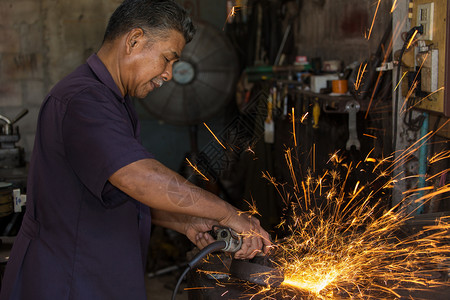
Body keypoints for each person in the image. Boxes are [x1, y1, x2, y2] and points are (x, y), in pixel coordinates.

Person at [0, 0, 271, 299]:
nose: (169, 73)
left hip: (97, 275)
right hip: (67, 281)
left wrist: (186, 221)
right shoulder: (83, 100)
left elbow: (116, 195)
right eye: (167, 59)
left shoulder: (115, 101)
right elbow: (137, 179)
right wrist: (229, 214)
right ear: (134, 41)